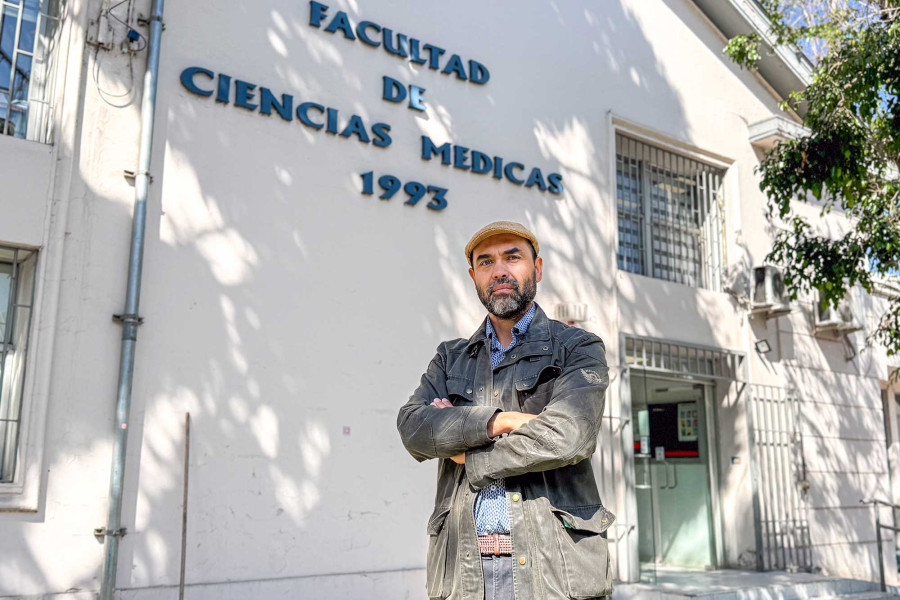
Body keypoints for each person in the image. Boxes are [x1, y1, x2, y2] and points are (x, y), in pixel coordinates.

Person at [397, 221, 615, 600]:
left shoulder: (577, 348)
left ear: (538, 268)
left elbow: (569, 436)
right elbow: (414, 427)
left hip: (553, 570)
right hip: (465, 571)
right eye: (486, 262)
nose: (499, 270)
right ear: (474, 277)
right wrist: (502, 421)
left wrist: (469, 454)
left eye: (512, 257)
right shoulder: (450, 358)